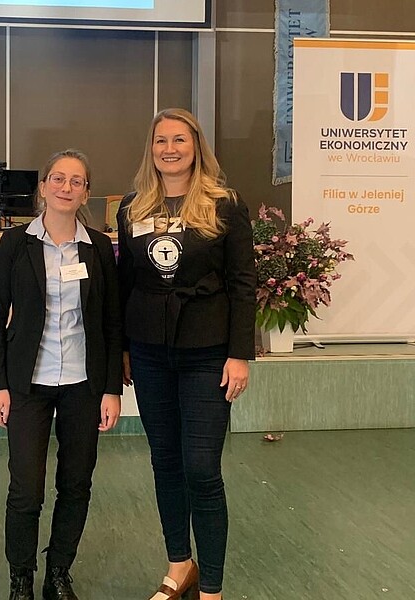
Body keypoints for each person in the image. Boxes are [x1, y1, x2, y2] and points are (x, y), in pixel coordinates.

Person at [117, 108, 256, 600]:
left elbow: (244, 283)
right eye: (160, 141)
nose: (169, 149)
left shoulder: (225, 205)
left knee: (201, 466)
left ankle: (212, 587)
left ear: (196, 146)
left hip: (207, 355)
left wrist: (240, 354)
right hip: (151, 355)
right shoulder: (132, 207)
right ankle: (180, 565)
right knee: (165, 461)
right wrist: (124, 352)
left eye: (178, 139)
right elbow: (125, 284)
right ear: (150, 149)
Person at [0, 149, 122, 600]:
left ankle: (58, 571)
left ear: (86, 192)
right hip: (28, 384)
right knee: (26, 488)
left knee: (76, 483)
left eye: (77, 181)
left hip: (84, 384)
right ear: (43, 186)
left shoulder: (99, 247)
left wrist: (111, 389)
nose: (66, 187)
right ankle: (20, 575)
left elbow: (110, 320)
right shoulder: (14, 244)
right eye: (58, 179)